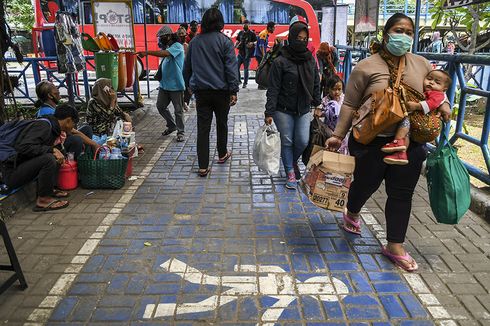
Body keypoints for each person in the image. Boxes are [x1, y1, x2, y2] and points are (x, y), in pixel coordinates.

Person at [325, 13, 452, 272]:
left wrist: (446, 104)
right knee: (365, 185)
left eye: (408, 32)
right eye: (398, 30)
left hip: (409, 145)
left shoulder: (422, 64)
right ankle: (352, 210)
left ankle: (394, 245)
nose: (403, 36)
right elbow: (349, 104)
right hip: (371, 142)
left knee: (401, 194)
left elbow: (438, 92)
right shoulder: (365, 67)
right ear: (386, 33)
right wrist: (338, 135)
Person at [264, 17, 321, 189]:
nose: (301, 42)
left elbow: (316, 83)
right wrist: (269, 111)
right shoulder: (280, 61)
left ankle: (292, 161)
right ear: (291, 37)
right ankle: (290, 172)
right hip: (283, 109)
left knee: (302, 141)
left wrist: (317, 104)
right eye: (299, 38)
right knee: (287, 141)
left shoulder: (310, 60)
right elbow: (273, 88)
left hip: (303, 108)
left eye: (305, 39)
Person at [183, 8, 239, 177]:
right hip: (222, 93)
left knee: (203, 129)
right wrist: (233, 90)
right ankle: (222, 154)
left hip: (202, 93)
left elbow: (187, 68)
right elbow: (231, 69)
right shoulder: (225, 42)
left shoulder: (194, 42)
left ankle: (202, 166)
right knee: (222, 123)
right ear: (220, 22)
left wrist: (189, 86)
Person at [2, 104, 80, 211]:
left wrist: (55, 150)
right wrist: (51, 150)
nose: (73, 127)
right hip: (12, 172)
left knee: (57, 154)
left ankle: (50, 189)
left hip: (21, 165)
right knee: (49, 158)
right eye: (73, 123)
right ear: (68, 120)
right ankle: (43, 200)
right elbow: (24, 147)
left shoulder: (54, 128)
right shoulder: (44, 126)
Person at [382, 69, 451, 165]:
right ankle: (401, 153)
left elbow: (432, 103)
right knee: (408, 133)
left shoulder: (437, 94)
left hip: (425, 120)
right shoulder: (432, 92)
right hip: (418, 122)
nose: (431, 82)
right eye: (429, 78)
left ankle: (398, 141)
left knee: (405, 121)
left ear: (444, 89)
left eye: (437, 82)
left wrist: (416, 106)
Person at [138, 26, 186, 142]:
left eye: (162, 37)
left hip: (176, 85)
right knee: (160, 106)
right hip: (164, 85)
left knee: (178, 110)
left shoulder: (177, 47)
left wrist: (147, 52)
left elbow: (164, 54)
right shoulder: (169, 46)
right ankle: (171, 125)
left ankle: (180, 132)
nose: (161, 40)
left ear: (169, 36)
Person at [34, 80, 97, 159]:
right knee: (77, 140)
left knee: (87, 129)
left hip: (63, 138)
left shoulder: (51, 108)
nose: (58, 93)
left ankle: (88, 157)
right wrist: (94, 144)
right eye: (56, 91)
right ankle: (73, 163)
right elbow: (71, 132)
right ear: (50, 95)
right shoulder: (47, 112)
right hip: (55, 145)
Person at [314, 75, 348, 154]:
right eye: (334, 89)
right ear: (328, 89)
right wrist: (320, 113)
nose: (337, 92)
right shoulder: (325, 100)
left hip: (341, 131)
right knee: (329, 148)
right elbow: (319, 112)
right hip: (328, 130)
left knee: (342, 149)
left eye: (339, 89)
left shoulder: (344, 99)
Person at [235, 20, 257, 89]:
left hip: (247, 55)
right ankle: (239, 81)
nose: (245, 25)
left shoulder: (252, 33)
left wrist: (252, 43)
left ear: (249, 25)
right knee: (236, 67)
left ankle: (245, 83)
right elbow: (237, 40)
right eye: (244, 24)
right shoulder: (240, 33)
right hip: (240, 54)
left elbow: (256, 41)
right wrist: (235, 44)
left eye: (246, 24)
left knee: (246, 69)